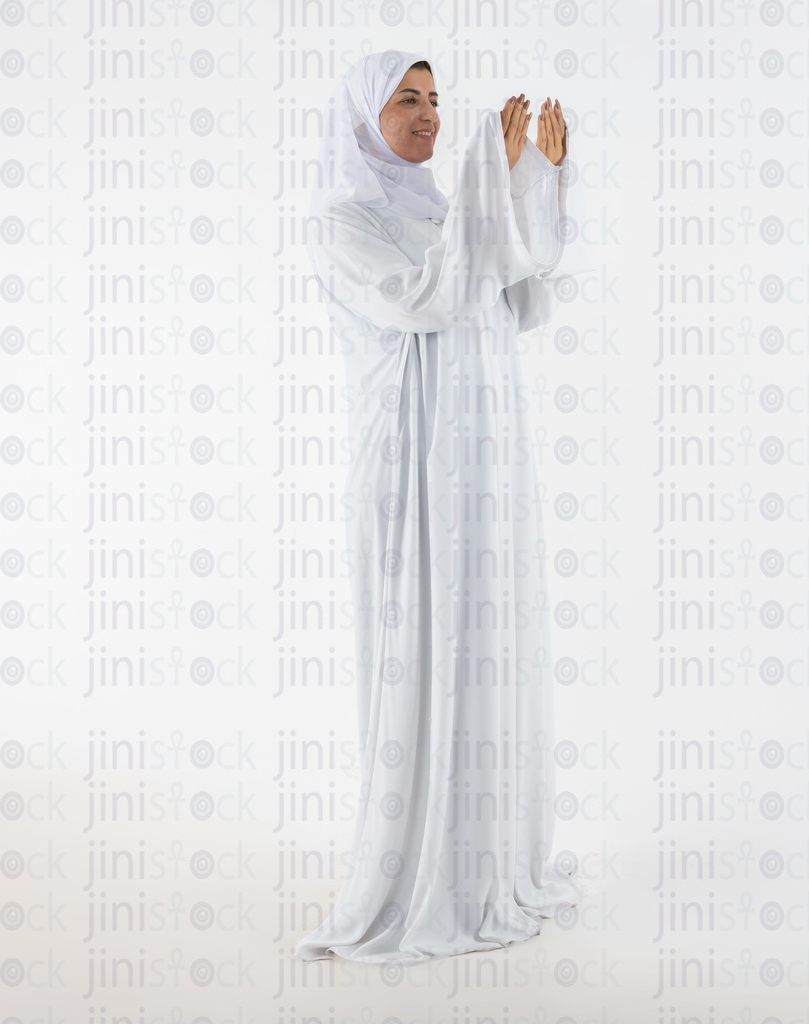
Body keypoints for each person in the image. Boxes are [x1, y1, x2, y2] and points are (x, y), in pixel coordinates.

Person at [294, 49, 585, 965]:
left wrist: (529, 180)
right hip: (410, 473)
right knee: (424, 645)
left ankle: (486, 861)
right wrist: (485, 185)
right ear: (361, 118)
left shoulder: (447, 216)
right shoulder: (345, 222)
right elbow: (426, 300)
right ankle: (419, 869)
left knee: (485, 645)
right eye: (405, 100)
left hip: (479, 472)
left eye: (433, 100)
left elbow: (519, 297)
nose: (426, 115)